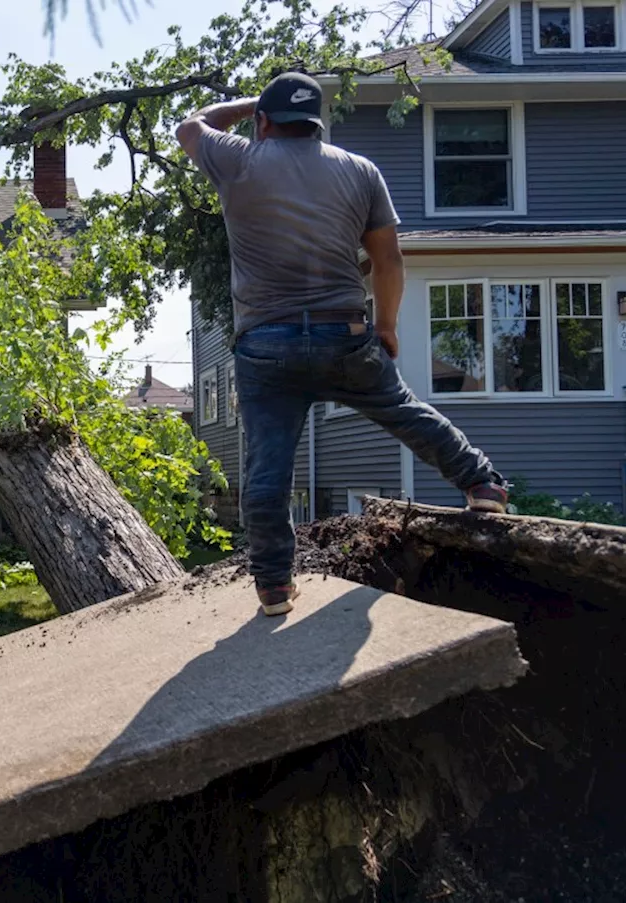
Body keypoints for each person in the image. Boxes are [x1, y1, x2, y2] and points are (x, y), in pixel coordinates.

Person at [175, 71, 508, 618]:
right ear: (317, 124)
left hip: (265, 344)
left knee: (267, 467)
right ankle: (482, 485)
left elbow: (192, 125)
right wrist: (388, 325)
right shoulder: (360, 170)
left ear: (263, 122)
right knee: (403, 411)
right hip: (344, 332)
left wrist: (247, 103)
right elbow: (389, 260)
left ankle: (275, 586)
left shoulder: (239, 159)